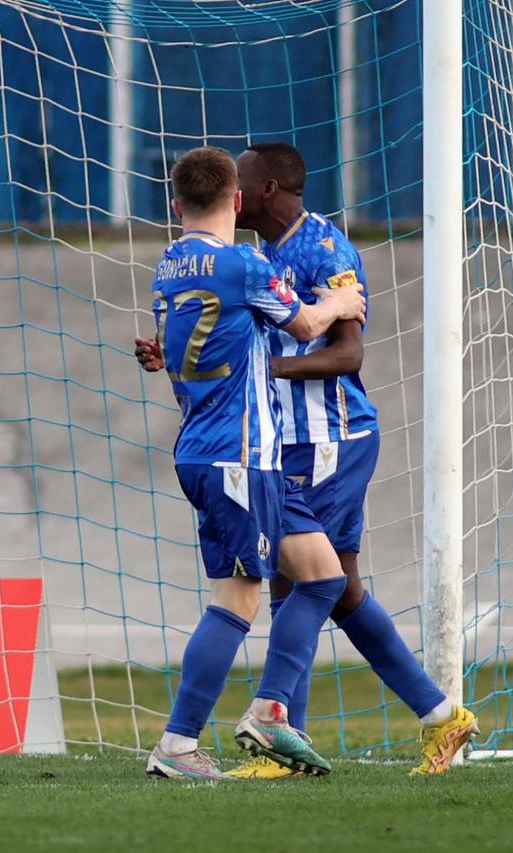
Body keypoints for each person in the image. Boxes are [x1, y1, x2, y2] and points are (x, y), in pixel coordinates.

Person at [137, 142, 478, 777]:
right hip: (258, 446)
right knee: (321, 586)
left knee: (308, 583)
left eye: (248, 175)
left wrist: (249, 365)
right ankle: (423, 714)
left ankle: (275, 732)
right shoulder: (249, 259)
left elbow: (348, 354)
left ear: (262, 191)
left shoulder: (322, 250)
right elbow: (267, 327)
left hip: (327, 438)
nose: (240, 189)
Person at [143, 146, 366, 781]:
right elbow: (306, 325)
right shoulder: (244, 263)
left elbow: (217, 339)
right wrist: (340, 305)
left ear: (176, 204)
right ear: (237, 200)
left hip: (225, 450)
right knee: (238, 601)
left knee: (322, 577)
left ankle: (270, 711)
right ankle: (177, 746)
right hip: (237, 456)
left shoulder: (169, 263)